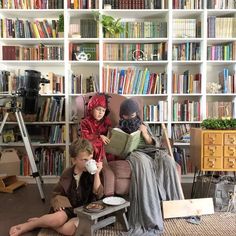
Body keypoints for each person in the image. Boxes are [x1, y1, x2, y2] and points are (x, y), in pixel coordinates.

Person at [9, 138, 103, 236]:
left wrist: (96, 174)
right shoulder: (67, 173)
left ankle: (42, 222)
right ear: (74, 160)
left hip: (86, 211)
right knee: (57, 219)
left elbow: (98, 193)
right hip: (69, 208)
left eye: (91, 158)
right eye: (84, 160)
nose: (89, 162)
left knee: (69, 230)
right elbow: (57, 193)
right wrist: (60, 202)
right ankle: (30, 225)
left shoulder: (93, 172)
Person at [118, 98, 184, 236]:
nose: (130, 118)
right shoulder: (119, 129)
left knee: (168, 161)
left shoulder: (143, 124)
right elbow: (121, 150)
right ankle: (150, 211)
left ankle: (174, 205)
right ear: (122, 115)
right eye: (126, 115)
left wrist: (145, 133)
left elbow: (153, 143)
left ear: (136, 113)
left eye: (132, 115)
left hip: (150, 150)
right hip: (134, 153)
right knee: (143, 163)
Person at [79, 93, 112, 162]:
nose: (101, 113)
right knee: (97, 143)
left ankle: (105, 164)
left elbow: (110, 133)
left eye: (103, 110)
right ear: (91, 108)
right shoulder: (85, 122)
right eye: (98, 109)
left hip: (106, 148)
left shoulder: (106, 121)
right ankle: (98, 163)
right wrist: (99, 137)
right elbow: (85, 137)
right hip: (92, 148)